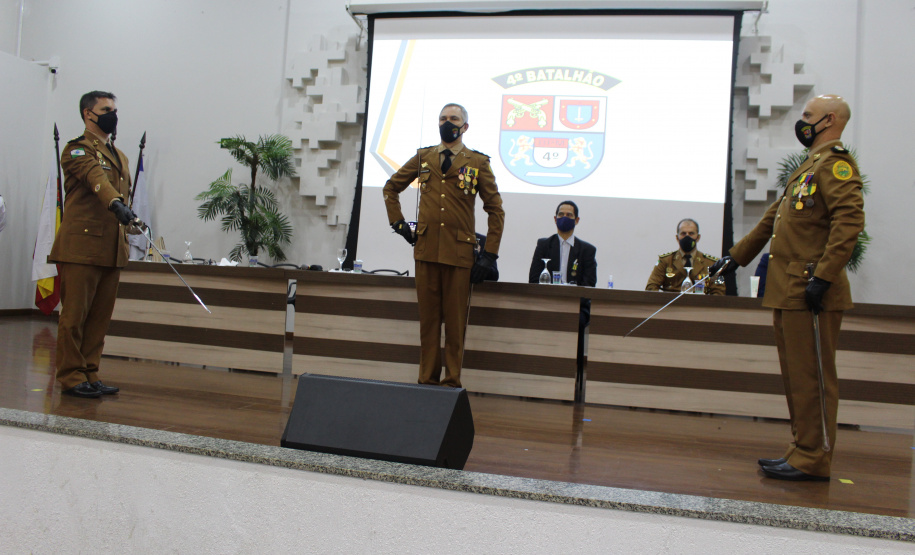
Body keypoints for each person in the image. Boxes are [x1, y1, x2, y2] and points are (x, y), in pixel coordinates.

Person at [710, 94, 865, 481]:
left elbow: (849, 222)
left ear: (830, 120)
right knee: (797, 376)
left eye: (808, 116)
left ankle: (814, 457)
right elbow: (773, 218)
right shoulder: (810, 165)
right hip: (790, 288)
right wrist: (736, 257)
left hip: (811, 289)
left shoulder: (837, 165)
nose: (802, 121)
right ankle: (801, 449)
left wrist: (824, 277)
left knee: (814, 377)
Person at [383, 103, 504, 388]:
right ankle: (426, 382)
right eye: (442, 118)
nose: (447, 123)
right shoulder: (424, 157)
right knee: (428, 323)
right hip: (426, 251)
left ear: (465, 126)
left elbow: (495, 210)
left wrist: (490, 253)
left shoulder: (477, 162)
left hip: (459, 254)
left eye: (453, 118)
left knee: (455, 325)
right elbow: (391, 188)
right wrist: (399, 223)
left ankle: (451, 383)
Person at [49, 91, 142, 398]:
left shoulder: (121, 156)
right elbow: (96, 178)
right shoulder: (76, 149)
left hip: (111, 247)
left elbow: (122, 194)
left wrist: (129, 216)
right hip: (82, 247)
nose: (112, 115)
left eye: (114, 109)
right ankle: (71, 375)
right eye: (106, 109)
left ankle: (90, 372)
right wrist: (115, 203)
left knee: (99, 319)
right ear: (88, 114)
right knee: (74, 317)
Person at [527, 200, 597, 287]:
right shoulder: (544, 245)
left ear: (576, 220)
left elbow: (589, 285)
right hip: (548, 295)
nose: (564, 218)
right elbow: (533, 280)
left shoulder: (587, 250)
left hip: (574, 295)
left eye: (569, 215)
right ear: (555, 219)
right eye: (561, 214)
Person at [645, 218, 724, 295]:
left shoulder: (712, 263)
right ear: (677, 238)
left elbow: (719, 291)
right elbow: (651, 287)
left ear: (698, 237)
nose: (687, 237)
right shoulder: (665, 261)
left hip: (700, 303)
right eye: (683, 234)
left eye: (691, 233)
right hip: (672, 303)